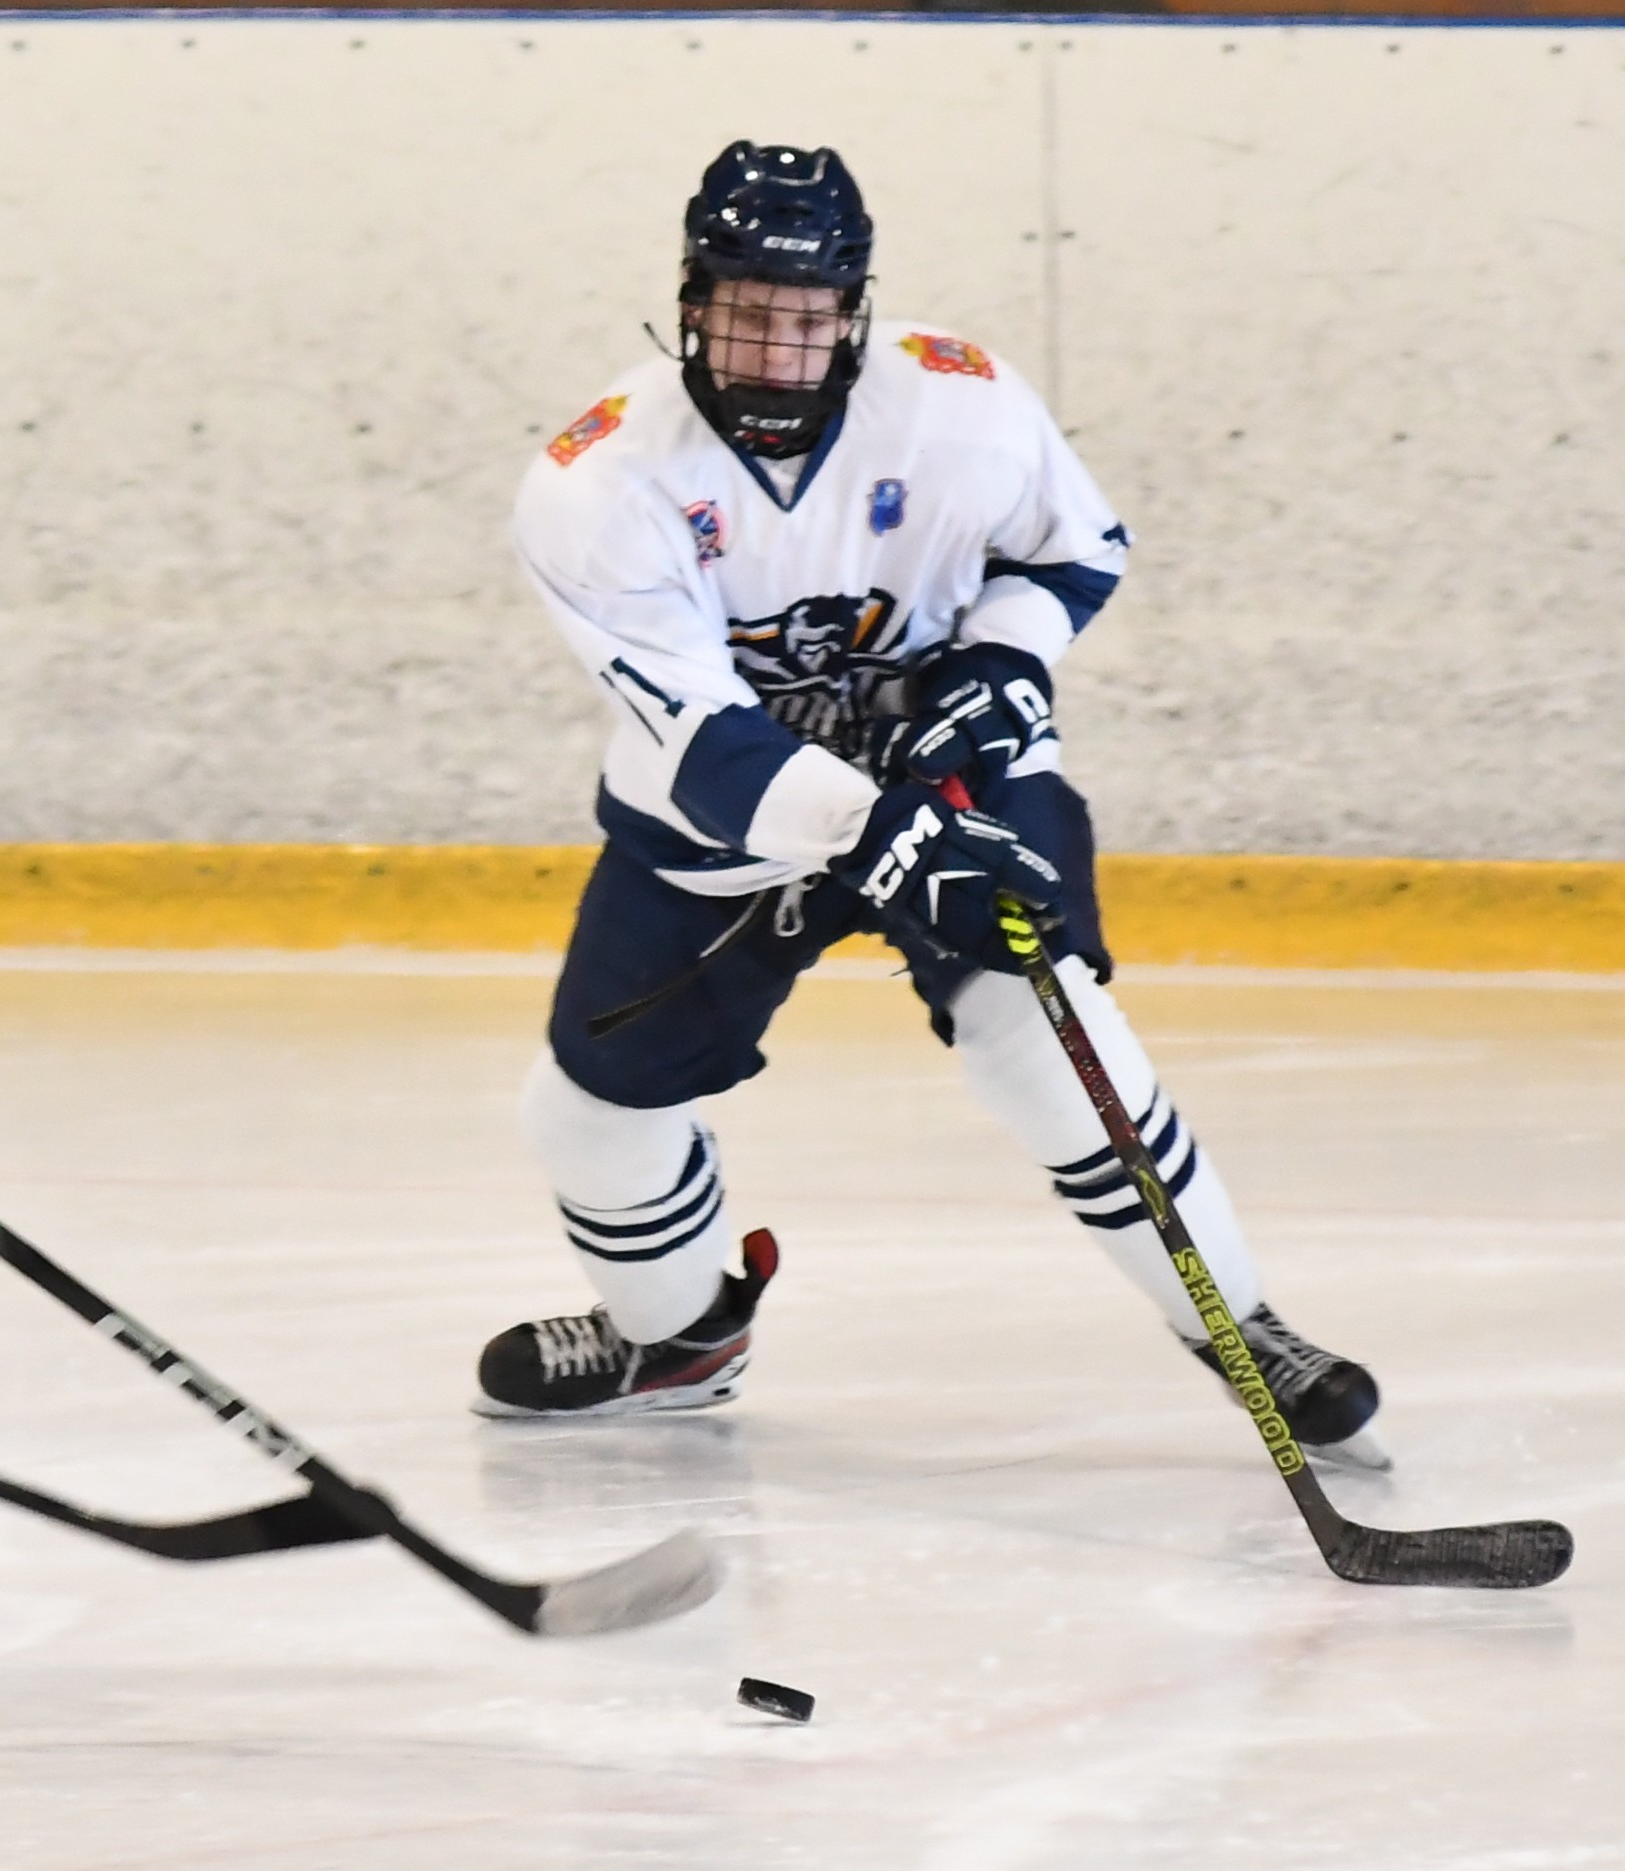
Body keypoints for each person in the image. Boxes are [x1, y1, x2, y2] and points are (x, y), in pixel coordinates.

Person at [474, 142, 1385, 1466]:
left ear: (850, 310)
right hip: (724, 815)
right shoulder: (594, 477)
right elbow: (696, 731)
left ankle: (1236, 1323)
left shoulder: (957, 401)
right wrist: (873, 833)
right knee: (586, 1107)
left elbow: (1073, 554)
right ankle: (673, 1339)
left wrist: (995, 662)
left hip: (950, 766)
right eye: (742, 312)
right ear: (688, 300)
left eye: (806, 319)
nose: (776, 351)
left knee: (1042, 1025)